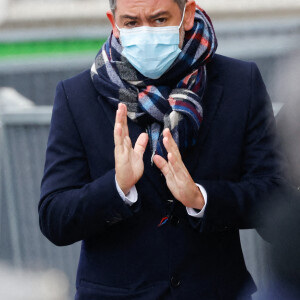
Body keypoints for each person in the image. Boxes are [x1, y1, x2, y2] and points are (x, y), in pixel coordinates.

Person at [39, 0, 285, 299]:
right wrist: (117, 187)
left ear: (188, 14)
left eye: (158, 20)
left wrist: (202, 198)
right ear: (113, 22)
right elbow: (54, 216)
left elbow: (274, 195)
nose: (146, 32)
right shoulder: (77, 95)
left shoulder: (239, 82)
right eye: (131, 22)